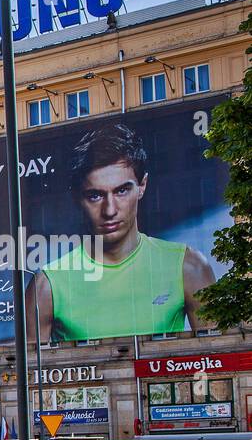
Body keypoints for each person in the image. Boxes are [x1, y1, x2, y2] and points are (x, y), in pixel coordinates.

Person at [26, 122, 218, 343]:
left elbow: (218, 359)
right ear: (77, 198)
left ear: (142, 185)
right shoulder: (47, 284)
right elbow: (32, 374)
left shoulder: (189, 266)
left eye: (122, 191)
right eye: (95, 195)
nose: (109, 210)